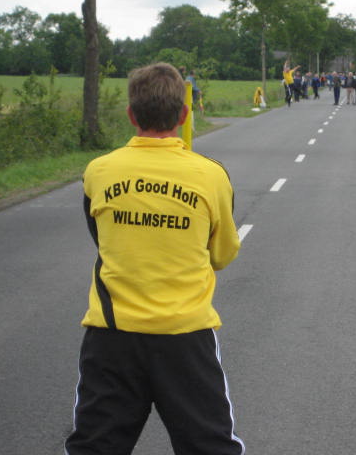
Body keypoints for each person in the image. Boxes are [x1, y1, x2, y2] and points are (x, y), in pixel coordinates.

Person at [64, 63, 244, 455]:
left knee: (95, 446)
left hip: (112, 336)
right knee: (209, 446)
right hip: (185, 336)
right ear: (184, 114)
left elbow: (102, 240)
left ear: (131, 115)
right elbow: (222, 254)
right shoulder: (211, 176)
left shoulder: (99, 171)